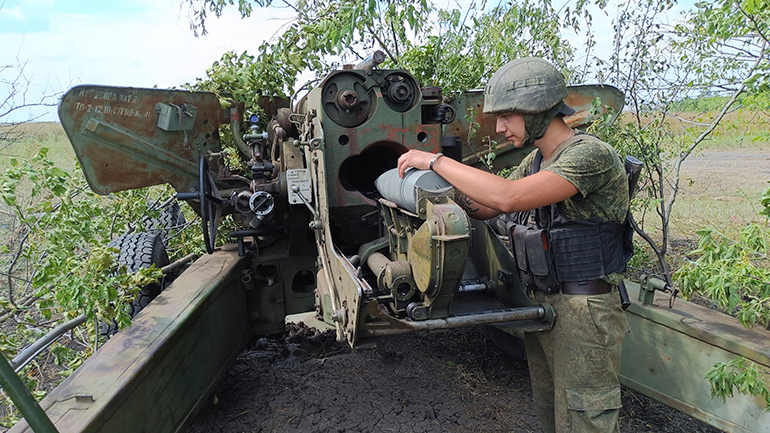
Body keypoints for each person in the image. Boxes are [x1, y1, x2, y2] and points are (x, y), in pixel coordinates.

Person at [397, 57, 631, 433]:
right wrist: (434, 193)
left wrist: (436, 160)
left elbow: (507, 198)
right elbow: (487, 207)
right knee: (553, 415)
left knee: (586, 420)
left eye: (507, 116)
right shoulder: (537, 161)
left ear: (537, 109)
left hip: (585, 311)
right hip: (546, 306)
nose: (500, 127)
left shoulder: (590, 154)